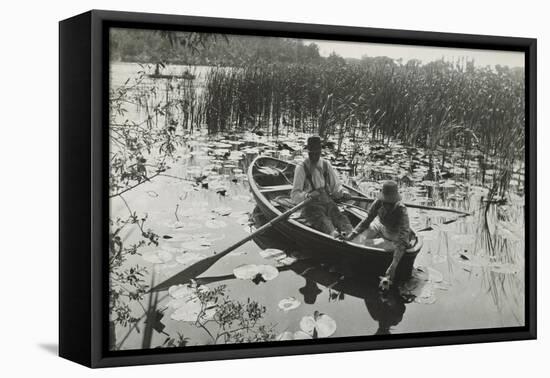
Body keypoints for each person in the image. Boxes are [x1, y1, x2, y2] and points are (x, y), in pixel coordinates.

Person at [346, 180, 414, 290]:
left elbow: (403, 239)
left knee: (373, 244)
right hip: (381, 226)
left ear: (395, 201)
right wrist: (351, 235)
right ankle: (358, 246)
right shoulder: (378, 202)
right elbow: (367, 221)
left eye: (390, 203)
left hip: (394, 235)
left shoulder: (402, 211)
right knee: (360, 238)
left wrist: (393, 265)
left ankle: (379, 245)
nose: (387, 205)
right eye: (385, 202)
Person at [291, 135, 353, 239]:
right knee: (324, 222)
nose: (314, 156)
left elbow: (335, 187)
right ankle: (335, 236)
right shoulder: (301, 168)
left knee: (340, 218)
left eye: (317, 152)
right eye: (312, 153)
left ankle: (351, 234)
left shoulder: (326, 164)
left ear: (320, 151)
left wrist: (342, 192)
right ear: (308, 152)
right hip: (311, 205)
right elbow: (294, 195)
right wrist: (307, 195)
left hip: (327, 201)